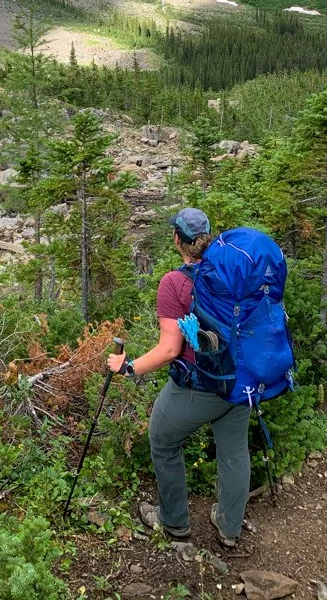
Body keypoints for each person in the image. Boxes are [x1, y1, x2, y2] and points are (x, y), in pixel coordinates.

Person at [107, 207, 251, 547]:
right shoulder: (235, 270)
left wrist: (128, 368)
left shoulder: (174, 282)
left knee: (162, 440)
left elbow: (170, 350)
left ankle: (174, 522)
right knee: (234, 453)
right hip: (240, 379)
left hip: (199, 386)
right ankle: (229, 529)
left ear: (177, 239)